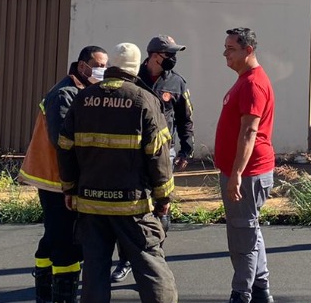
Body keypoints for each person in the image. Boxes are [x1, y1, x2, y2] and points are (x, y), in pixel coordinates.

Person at [57, 43, 178, 303]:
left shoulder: (83, 98)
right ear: (135, 68)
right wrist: (163, 197)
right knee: (150, 265)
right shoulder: (144, 99)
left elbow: (65, 147)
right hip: (131, 206)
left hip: (90, 203)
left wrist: (69, 188)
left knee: (94, 270)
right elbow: (158, 154)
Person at [19, 45, 107, 303]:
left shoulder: (79, 90)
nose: (102, 70)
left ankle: (44, 291)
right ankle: (63, 294)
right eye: (99, 65)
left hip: (59, 178)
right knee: (66, 242)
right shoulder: (64, 94)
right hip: (55, 180)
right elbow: (62, 141)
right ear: (83, 66)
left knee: (53, 235)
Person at [111, 35, 195, 284]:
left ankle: (155, 259)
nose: (173, 59)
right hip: (132, 152)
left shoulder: (177, 83)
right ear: (155, 55)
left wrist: (186, 150)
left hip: (163, 153)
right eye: (169, 54)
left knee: (162, 203)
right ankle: (126, 260)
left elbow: (185, 119)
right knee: (131, 207)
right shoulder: (133, 78)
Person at [215, 27, 277, 303]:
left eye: (231, 48)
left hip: (248, 173)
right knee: (249, 230)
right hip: (244, 171)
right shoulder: (246, 79)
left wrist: (237, 174)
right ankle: (261, 289)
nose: (225, 53)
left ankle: (241, 294)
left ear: (248, 51)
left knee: (242, 237)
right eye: (226, 47)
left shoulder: (252, 83)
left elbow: (249, 132)